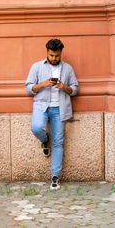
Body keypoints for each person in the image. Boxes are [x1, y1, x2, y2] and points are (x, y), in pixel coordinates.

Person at [25, 38, 79, 190]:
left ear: (61, 53)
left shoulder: (68, 68)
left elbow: (75, 89)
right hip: (41, 106)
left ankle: (55, 176)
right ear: (47, 53)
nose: (54, 58)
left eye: (56, 55)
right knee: (37, 128)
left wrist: (64, 87)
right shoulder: (37, 67)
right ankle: (44, 139)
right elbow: (28, 87)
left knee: (58, 142)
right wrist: (43, 84)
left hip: (59, 109)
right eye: (51, 55)